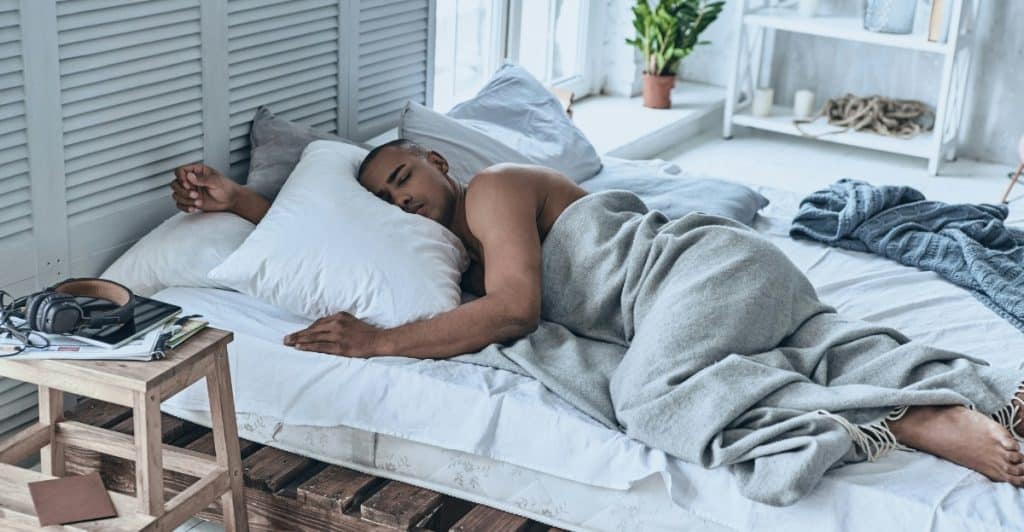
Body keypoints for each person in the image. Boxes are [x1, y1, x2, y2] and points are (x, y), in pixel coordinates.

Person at [170, 139, 1024, 488]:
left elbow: (514, 310)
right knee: (814, 354)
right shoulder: (448, 257)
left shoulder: (494, 192)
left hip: (706, 268)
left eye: (404, 180)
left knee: (647, 400)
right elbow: (337, 242)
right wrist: (244, 201)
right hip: (730, 291)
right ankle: (948, 398)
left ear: (436, 159)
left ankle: (906, 423)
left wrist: (383, 343)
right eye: (388, 204)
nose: (405, 204)